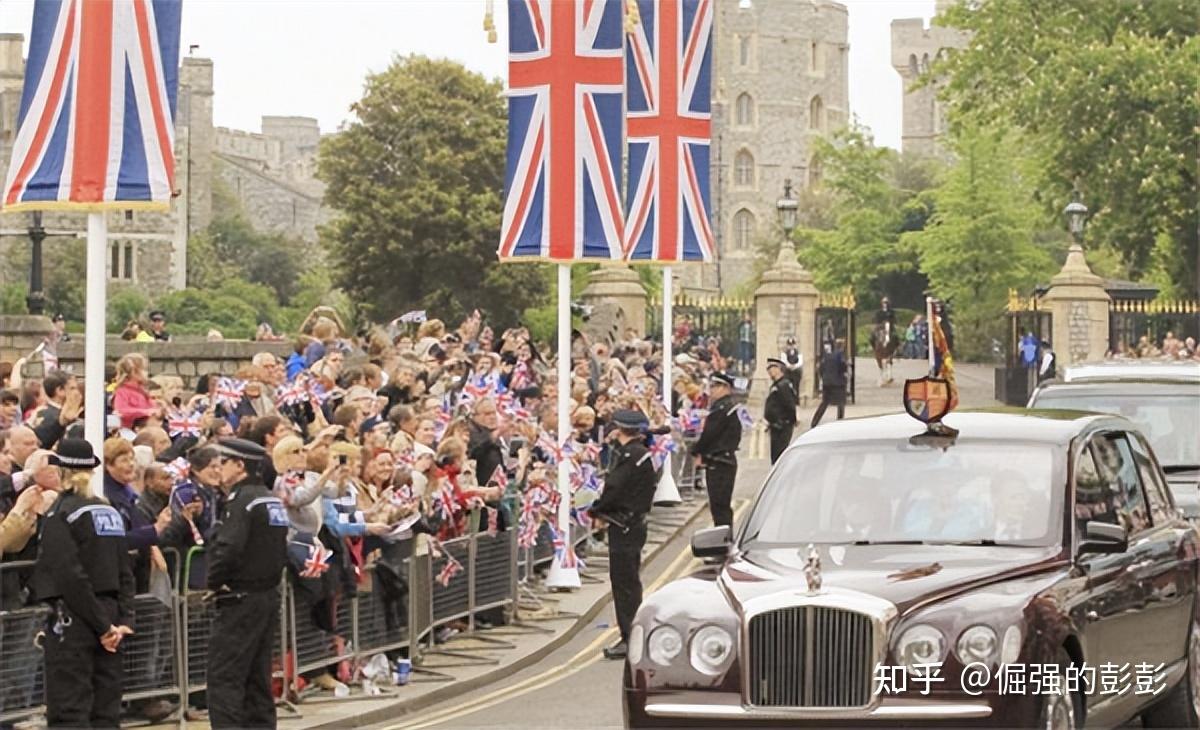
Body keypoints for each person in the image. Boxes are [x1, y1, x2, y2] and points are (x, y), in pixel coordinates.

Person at [32, 439, 135, 728]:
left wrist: (102, 626)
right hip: (111, 616)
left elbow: (70, 576)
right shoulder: (109, 512)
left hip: (76, 619)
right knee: (106, 709)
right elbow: (125, 570)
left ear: (61, 472)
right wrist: (122, 620)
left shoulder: (60, 514)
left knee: (70, 709)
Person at [205, 438, 289, 729]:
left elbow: (228, 547)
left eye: (224, 463)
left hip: (240, 598)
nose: (219, 469)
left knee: (225, 677)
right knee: (257, 676)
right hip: (267, 594)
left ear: (240, 467)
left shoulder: (241, 501)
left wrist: (214, 583)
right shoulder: (271, 500)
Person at [590, 409, 657, 660]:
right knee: (631, 582)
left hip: (624, 525)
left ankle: (630, 637)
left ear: (620, 428)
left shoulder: (630, 457)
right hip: (635, 524)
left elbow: (614, 489)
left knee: (624, 584)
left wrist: (596, 509)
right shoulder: (642, 455)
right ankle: (634, 634)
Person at [690, 372, 741, 528]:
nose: (711, 390)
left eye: (714, 387)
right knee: (721, 506)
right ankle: (724, 538)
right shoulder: (727, 406)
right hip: (723, 460)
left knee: (719, 506)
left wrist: (696, 451)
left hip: (719, 461)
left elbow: (709, 435)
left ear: (725, 388)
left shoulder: (721, 408)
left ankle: (723, 541)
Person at [763, 359, 798, 464]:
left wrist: (791, 420)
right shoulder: (777, 384)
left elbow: (789, 404)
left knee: (779, 455)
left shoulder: (784, 385)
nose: (769, 371)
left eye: (771, 368)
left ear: (779, 369)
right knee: (775, 456)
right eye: (768, 369)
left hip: (782, 425)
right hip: (775, 425)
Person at [811, 338, 848, 427]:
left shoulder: (827, 356)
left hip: (827, 382)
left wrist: (823, 378)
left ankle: (814, 422)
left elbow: (820, 368)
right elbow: (843, 366)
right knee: (841, 403)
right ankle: (840, 422)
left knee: (824, 403)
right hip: (838, 383)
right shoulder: (840, 355)